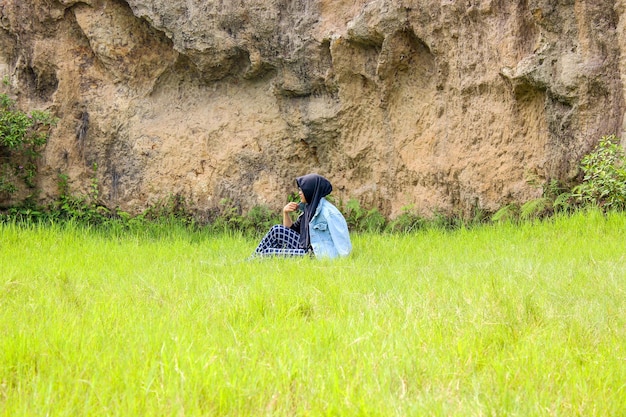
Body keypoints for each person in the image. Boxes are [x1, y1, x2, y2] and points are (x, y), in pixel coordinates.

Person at [251, 173, 352, 259]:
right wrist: (285, 213)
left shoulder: (329, 213)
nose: (299, 193)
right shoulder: (309, 208)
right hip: (304, 246)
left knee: (268, 253)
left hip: (315, 255)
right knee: (276, 230)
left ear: (310, 191)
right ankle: (251, 260)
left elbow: (342, 240)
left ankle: (252, 262)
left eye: (302, 190)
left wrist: (342, 261)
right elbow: (291, 230)